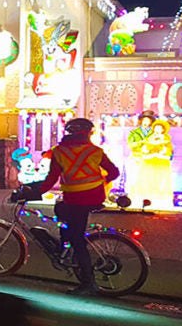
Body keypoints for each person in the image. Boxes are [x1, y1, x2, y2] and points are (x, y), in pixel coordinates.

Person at [30, 117, 120, 296]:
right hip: (94, 197)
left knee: (77, 238)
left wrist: (34, 192)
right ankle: (65, 247)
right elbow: (114, 172)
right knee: (61, 211)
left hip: (75, 199)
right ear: (87, 133)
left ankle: (88, 282)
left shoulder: (59, 152)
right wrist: (101, 182)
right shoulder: (95, 151)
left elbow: (51, 179)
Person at [137, 119, 175, 209]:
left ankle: (161, 200)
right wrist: (147, 150)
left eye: (159, 128)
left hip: (162, 164)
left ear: (163, 130)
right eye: (156, 128)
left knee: (161, 181)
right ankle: (147, 200)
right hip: (149, 163)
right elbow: (144, 149)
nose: (157, 130)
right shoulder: (149, 139)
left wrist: (163, 151)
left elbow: (169, 151)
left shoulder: (166, 140)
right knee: (148, 180)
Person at [124, 110, 156, 205]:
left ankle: (147, 198)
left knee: (148, 178)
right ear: (141, 121)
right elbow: (131, 145)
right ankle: (134, 197)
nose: (146, 122)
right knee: (135, 177)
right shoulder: (134, 133)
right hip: (136, 158)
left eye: (148, 121)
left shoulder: (154, 133)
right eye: (144, 120)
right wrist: (141, 143)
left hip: (149, 158)